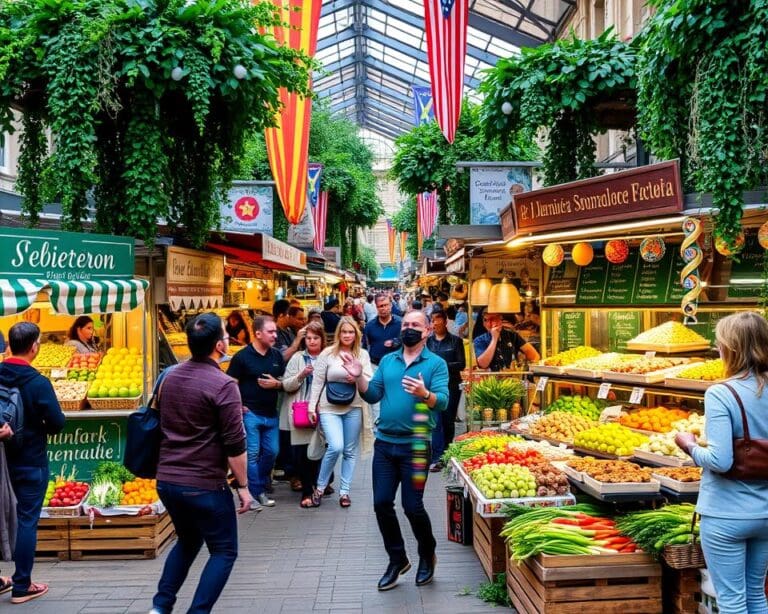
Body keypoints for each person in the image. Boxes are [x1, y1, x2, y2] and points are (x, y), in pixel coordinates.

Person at [151, 313, 251, 614]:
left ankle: (160, 607)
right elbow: (235, 445)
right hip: (204, 483)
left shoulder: (168, 377)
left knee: (188, 539)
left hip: (167, 479)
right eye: (226, 335)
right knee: (224, 550)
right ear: (219, 345)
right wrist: (244, 488)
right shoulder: (223, 385)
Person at [341, 310, 448, 591]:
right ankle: (397, 559)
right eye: (406, 324)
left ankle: (427, 554)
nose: (409, 328)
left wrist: (425, 394)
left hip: (416, 445)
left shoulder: (436, 364)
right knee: (381, 504)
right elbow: (373, 394)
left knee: (412, 507)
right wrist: (358, 378)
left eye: (416, 325)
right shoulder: (388, 360)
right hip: (385, 444)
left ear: (426, 331)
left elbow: (444, 402)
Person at [674, 312, 768, 614]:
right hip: (766, 513)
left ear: (732, 349)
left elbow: (720, 460)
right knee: (756, 595)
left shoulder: (721, 393)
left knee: (731, 600)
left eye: (720, 344)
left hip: (726, 513)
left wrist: (689, 445)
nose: (718, 349)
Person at [0, 322, 65, 604]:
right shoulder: (38, 382)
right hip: (29, 460)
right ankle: (21, 585)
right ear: (34, 347)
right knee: (27, 520)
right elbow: (57, 423)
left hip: (0, 461)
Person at [308, 316, 372, 508]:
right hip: (329, 407)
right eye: (344, 332)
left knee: (350, 451)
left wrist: (358, 376)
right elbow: (318, 381)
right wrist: (312, 407)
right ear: (338, 333)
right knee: (335, 446)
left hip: (354, 406)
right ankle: (319, 488)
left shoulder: (362, 355)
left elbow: (370, 379)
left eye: (351, 332)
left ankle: (344, 492)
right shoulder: (327, 353)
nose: (347, 335)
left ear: (356, 334)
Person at [227, 315, 286, 511]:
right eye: (271, 332)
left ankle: (255, 485)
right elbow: (231, 385)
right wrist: (239, 405)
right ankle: (255, 492)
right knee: (252, 454)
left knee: (272, 452)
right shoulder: (242, 357)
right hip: (250, 413)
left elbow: (284, 381)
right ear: (258, 333)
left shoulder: (276, 355)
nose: (275, 335)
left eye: (275, 331)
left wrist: (277, 384)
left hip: (271, 413)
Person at [279, 321, 327, 508]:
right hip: (301, 411)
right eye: (308, 338)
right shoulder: (298, 358)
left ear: (322, 339)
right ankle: (307, 490)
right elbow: (285, 384)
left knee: (320, 451)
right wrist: (301, 375)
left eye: (315, 338)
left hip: (323, 410)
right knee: (301, 455)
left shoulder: (329, 357)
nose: (312, 341)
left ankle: (316, 487)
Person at [426, 310, 465, 471]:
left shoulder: (456, 341)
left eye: (437, 319)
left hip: (452, 385)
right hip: (433, 386)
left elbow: (461, 364)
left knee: (448, 421)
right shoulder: (428, 342)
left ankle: (447, 453)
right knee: (436, 421)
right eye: (432, 320)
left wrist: (441, 367)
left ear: (445, 321)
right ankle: (437, 457)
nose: (434, 323)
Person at [473, 309, 540, 371]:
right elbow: (483, 364)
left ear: (500, 320)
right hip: (491, 381)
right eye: (486, 320)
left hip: (513, 379)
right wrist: (494, 339)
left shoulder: (512, 335)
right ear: (483, 323)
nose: (490, 323)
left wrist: (525, 370)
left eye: (493, 319)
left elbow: (534, 356)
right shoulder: (479, 340)